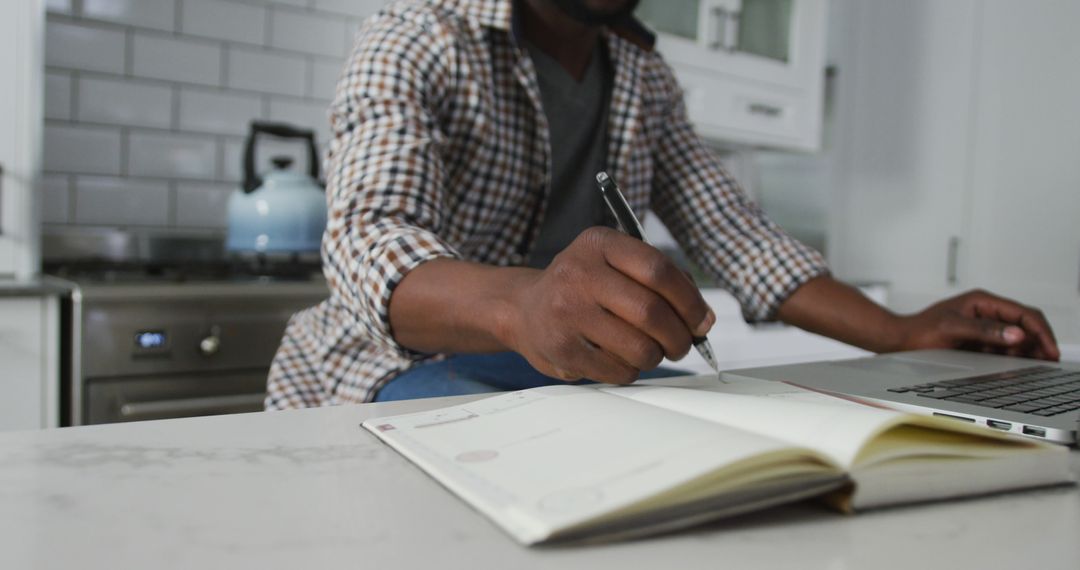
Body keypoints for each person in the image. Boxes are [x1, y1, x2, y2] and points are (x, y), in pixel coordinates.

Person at [265, 0, 1059, 409]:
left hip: (572, 376)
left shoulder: (644, 79)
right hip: (383, 369)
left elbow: (739, 236)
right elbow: (369, 240)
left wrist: (901, 333)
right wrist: (525, 302)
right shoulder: (416, 35)